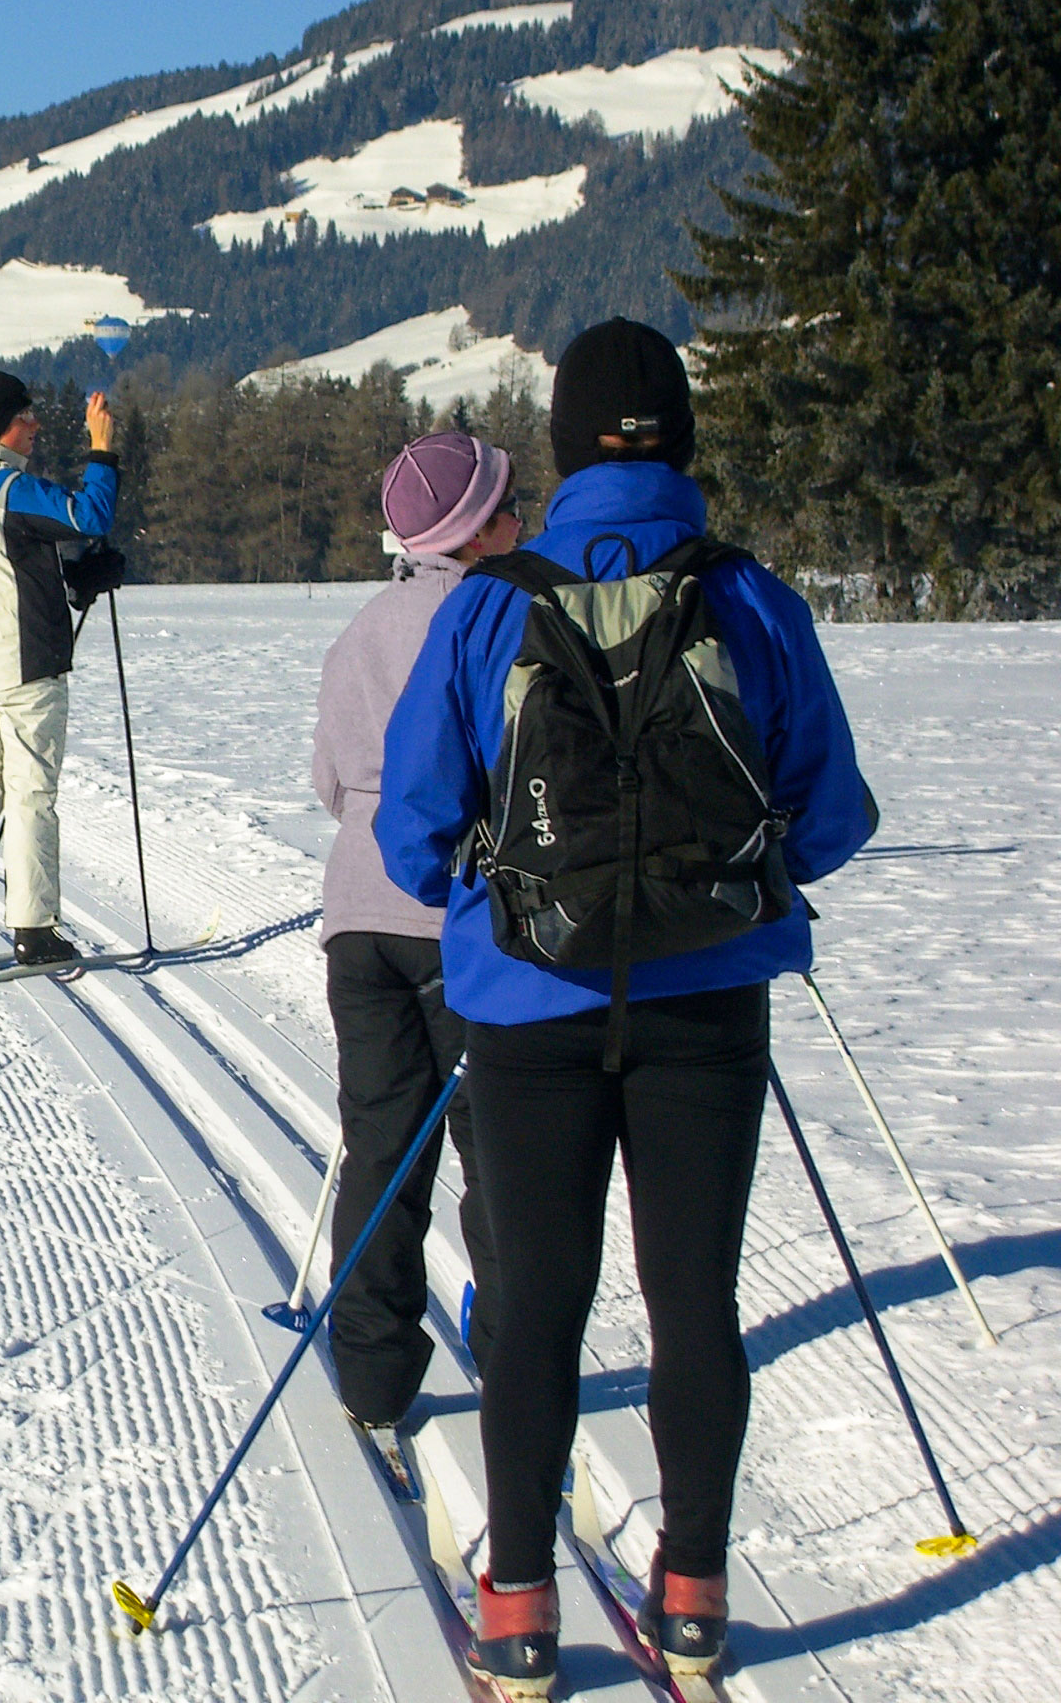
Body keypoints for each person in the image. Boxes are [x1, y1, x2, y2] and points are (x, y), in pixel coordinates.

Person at [376, 319, 877, 1697]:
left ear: (560, 442)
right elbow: (831, 820)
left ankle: (521, 1607)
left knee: (536, 1303)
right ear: (683, 440)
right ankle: (698, 1595)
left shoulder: (491, 605)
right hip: (709, 1006)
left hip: (527, 1001)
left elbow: (415, 834)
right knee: (692, 1300)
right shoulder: (753, 598)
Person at [310, 432, 514, 1438]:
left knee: (383, 1144)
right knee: (496, 1147)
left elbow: (326, 779)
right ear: (475, 529)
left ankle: (370, 1371)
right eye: (509, 504)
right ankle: (511, 1341)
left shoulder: (363, 626)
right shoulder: (498, 617)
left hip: (357, 916)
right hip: (462, 914)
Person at [0, 369, 117, 967]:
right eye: (24, 416)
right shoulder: (11, 488)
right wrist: (102, 449)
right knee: (32, 793)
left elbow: (2, 568)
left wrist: (69, 581)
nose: (34, 425)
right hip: (26, 668)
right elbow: (91, 516)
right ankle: (34, 930)